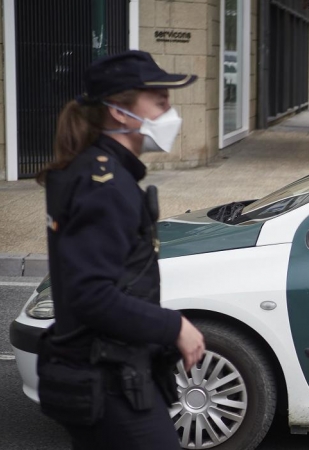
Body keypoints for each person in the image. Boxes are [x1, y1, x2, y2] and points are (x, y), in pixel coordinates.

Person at [35, 50, 205, 450]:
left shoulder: (100, 173)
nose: (171, 113)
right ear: (122, 114)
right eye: (160, 102)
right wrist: (174, 326)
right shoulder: (105, 186)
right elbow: (92, 294)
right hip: (108, 383)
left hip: (107, 375)